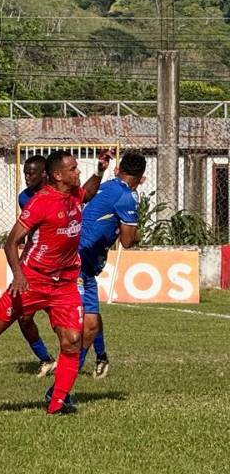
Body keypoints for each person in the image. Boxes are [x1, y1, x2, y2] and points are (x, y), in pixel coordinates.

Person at [0, 149, 112, 414]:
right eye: (73, 169)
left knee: (71, 340)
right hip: (33, 280)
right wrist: (19, 275)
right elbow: (11, 242)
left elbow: (89, 193)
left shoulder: (74, 194)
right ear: (58, 175)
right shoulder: (41, 202)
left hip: (66, 282)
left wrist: (100, 170)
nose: (78, 172)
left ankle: (56, 404)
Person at [78, 152, 146, 379]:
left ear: (119, 170)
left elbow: (86, 199)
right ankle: (79, 364)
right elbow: (127, 241)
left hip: (82, 259)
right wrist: (137, 235)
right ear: (142, 177)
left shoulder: (107, 185)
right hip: (77, 259)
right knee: (87, 318)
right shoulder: (127, 197)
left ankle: (91, 360)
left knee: (90, 315)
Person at [16, 154, 57, 377]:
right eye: (25, 173)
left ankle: (78, 359)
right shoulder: (25, 198)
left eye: (31, 173)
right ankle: (45, 358)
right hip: (34, 263)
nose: (27, 177)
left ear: (44, 174)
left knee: (62, 319)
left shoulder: (59, 193)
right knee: (23, 316)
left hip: (59, 265)